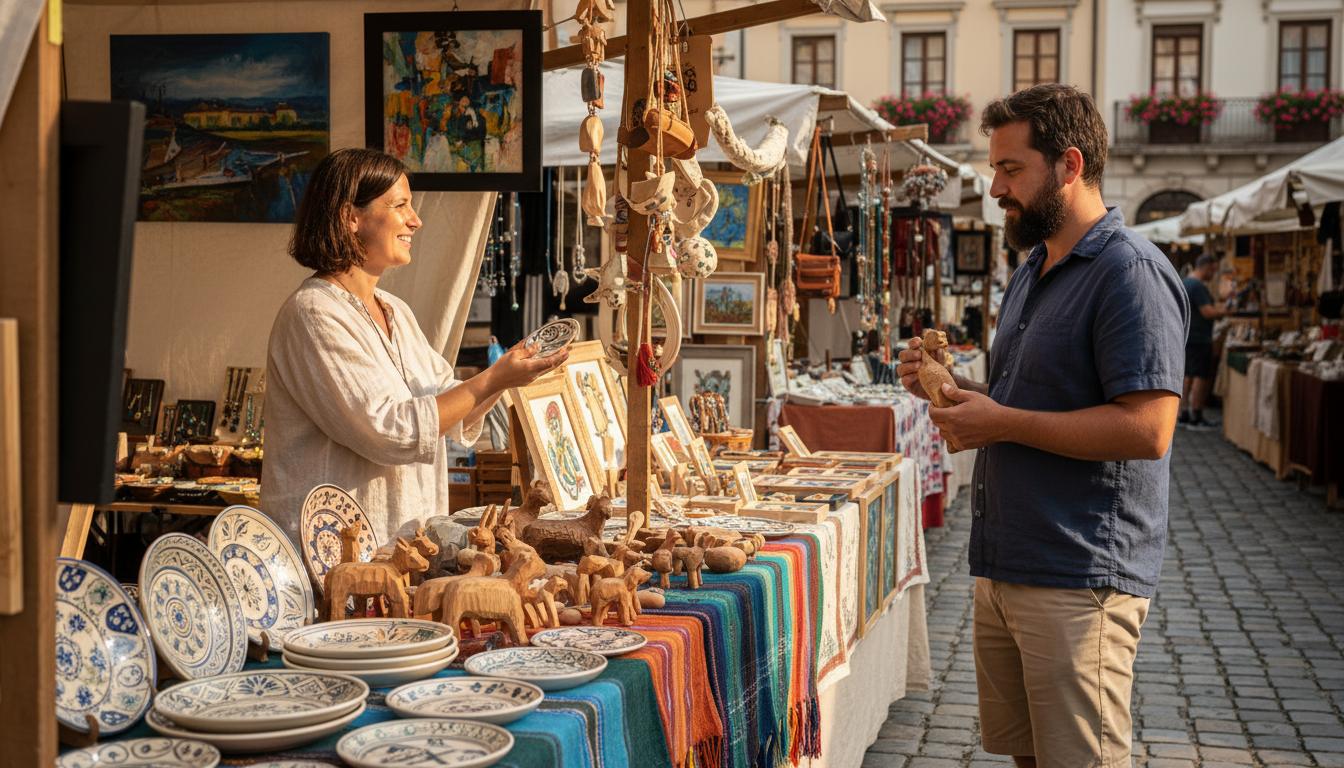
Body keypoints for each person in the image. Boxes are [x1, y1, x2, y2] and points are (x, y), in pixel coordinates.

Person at [897, 84, 1188, 767]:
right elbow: (1027, 400)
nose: (996, 186)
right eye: (994, 168)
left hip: (1079, 572)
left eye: (1011, 169)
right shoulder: (1034, 267)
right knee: (1026, 758)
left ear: (1071, 165)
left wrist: (1001, 422)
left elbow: (1148, 429)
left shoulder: (1130, 273)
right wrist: (958, 391)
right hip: (1008, 563)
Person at [261, 148, 567, 543]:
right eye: (400, 205)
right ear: (350, 217)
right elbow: (390, 431)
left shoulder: (395, 312)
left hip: (401, 545)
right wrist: (493, 379)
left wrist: (507, 375)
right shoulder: (313, 313)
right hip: (339, 554)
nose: (415, 220)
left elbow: (446, 406)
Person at [1181, 253, 1230, 428]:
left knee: (1188, 375)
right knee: (1200, 376)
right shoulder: (1198, 286)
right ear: (1207, 267)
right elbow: (1207, 312)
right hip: (1200, 338)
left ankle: (1184, 412)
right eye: (1213, 270)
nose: (1213, 274)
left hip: (1188, 336)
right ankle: (1197, 414)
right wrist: (1226, 312)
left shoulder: (1186, 282)